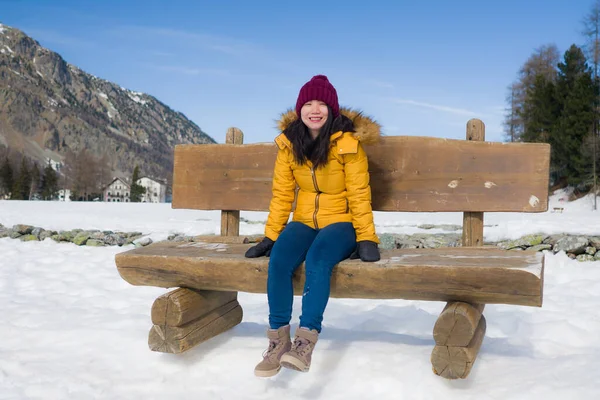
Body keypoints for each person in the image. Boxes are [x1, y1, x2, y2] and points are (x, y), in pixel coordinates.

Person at [245, 75, 381, 377]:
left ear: (331, 109)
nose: (315, 109)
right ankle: (278, 341)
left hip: (342, 222)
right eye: (308, 103)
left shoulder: (348, 145)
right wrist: (271, 235)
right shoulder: (289, 145)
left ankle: (305, 341)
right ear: (299, 109)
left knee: (319, 259)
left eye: (321, 103)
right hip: (304, 221)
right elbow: (282, 194)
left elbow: (360, 193)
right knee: (279, 259)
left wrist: (367, 237)